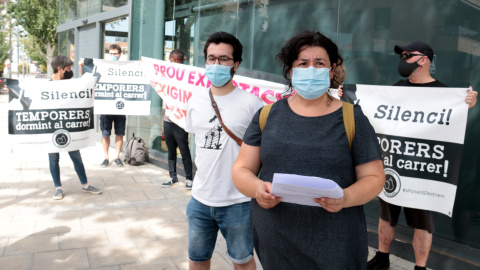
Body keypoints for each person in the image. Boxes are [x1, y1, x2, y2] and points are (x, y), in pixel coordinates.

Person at [231, 31, 386, 269]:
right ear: (291, 71)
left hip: (336, 242)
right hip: (277, 240)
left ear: (332, 71)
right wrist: (257, 188)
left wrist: (346, 198)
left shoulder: (352, 117)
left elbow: (375, 179)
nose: (311, 69)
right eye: (303, 63)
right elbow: (241, 169)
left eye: (319, 63)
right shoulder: (267, 115)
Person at [339, 41, 478, 270]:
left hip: (424, 172)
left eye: (407, 55)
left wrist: (466, 107)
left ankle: (420, 267)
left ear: (423, 59)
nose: (402, 60)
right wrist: (349, 97)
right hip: (393, 165)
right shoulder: (396, 89)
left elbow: (454, 130)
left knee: (423, 225)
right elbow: (372, 114)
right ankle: (382, 258)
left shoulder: (445, 94)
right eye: (401, 55)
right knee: (386, 217)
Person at [184, 31, 263, 270]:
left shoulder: (252, 104)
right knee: (197, 260)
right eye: (211, 58)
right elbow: (196, 141)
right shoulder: (194, 100)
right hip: (199, 199)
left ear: (235, 65)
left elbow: (262, 152)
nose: (216, 64)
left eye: (223, 59)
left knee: (242, 261)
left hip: (238, 201)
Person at [49, 55, 102, 200]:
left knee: (76, 157)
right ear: (59, 69)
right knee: (53, 158)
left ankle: (85, 185)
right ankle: (58, 188)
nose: (70, 71)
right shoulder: (47, 86)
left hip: (69, 128)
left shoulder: (69, 84)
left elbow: (83, 87)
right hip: (52, 129)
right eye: (68, 69)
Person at [80, 44, 127, 168]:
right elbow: (87, 79)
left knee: (120, 133)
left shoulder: (124, 69)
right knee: (105, 133)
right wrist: (82, 66)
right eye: (111, 54)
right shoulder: (101, 68)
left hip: (119, 107)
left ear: (120, 54)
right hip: (105, 106)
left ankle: (117, 157)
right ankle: (106, 157)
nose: (113, 56)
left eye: (115, 54)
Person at [161, 49, 194, 189]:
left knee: (184, 149)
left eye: (176, 60)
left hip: (180, 121)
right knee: (171, 151)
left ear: (182, 61)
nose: (173, 63)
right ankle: (172, 176)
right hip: (168, 120)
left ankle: (189, 178)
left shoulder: (187, 79)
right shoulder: (166, 78)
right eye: (171, 60)